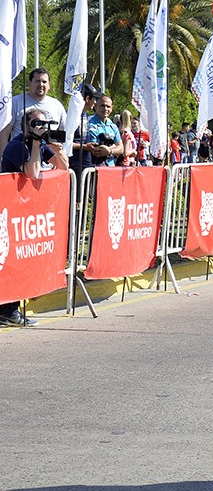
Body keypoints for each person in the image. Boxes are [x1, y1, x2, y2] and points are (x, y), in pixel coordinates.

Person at [0, 108, 70, 326]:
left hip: (27, 214)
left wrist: (57, 151)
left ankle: (11, 309)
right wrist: (38, 146)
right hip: (11, 212)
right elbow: (32, 173)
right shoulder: (16, 145)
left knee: (23, 260)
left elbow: (64, 166)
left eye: (44, 124)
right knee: (10, 261)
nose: (41, 128)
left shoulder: (39, 142)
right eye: (36, 124)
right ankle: (8, 310)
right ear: (26, 126)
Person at [0, 68, 67, 147]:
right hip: (21, 155)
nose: (41, 84)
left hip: (49, 156)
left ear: (49, 85)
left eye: (44, 82)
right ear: (29, 83)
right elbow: (4, 134)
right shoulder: (15, 102)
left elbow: (65, 134)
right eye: (37, 81)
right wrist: (3, 157)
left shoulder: (57, 105)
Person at [87, 95, 124, 166]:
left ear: (112, 108)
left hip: (111, 167)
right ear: (95, 106)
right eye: (102, 106)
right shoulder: (90, 124)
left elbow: (121, 148)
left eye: (108, 106)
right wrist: (113, 146)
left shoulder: (113, 126)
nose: (105, 109)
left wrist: (109, 151)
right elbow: (96, 150)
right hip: (95, 167)